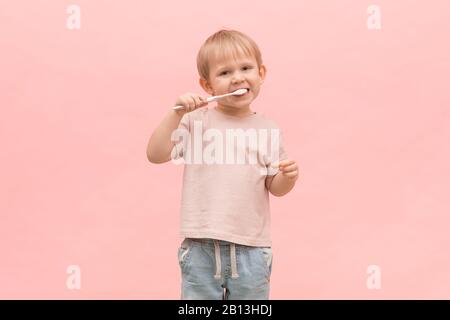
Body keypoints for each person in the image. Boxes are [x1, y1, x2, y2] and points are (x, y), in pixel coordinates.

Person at [146, 29, 299, 300]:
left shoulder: (268, 129)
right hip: (200, 247)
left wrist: (287, 177)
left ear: (261, 73)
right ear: (207, 86)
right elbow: (156, 154)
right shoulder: (196, 122)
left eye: (245, 68)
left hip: (252, 248)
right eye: (225, 73)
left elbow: (275, 188)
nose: (238, 77)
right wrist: (176, 113)